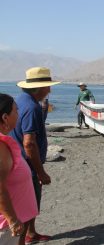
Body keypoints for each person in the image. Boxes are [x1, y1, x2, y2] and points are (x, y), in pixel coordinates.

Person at [9, 67, 61, 244]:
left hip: (17, 162)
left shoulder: (20, 101)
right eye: (48, 86)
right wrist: (40, 172)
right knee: (27, 207)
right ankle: (25, 238)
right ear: (39, 88)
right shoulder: (32, 107)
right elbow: (29, 143)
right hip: (27, 167)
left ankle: (31, 232)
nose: (50, 90)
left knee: (29, 205)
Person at [0, 93, 38, 245]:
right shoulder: (1, 146)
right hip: (7, 225)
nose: (18, 114)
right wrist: (12, 219)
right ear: (5, 117)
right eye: (16, 111)